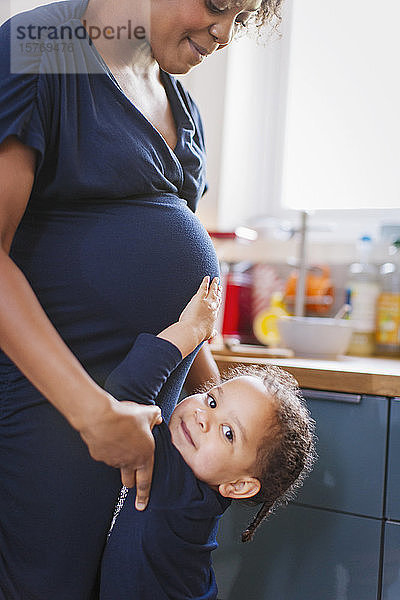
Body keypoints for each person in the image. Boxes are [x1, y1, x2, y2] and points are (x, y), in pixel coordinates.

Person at [0, 1, 282, 598]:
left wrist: (217, 405)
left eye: (243, 15)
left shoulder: (179, 105)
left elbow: (177, 299)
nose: (225, 32)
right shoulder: (40, 47)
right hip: (52, 422)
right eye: (217, 4)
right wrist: (91, 413)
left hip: (143, 431)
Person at [98, 276, 316, 599]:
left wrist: (191, 330)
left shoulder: (176, 483)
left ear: (239, 486)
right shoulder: (206, 489)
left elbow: (124, 396)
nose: (203, 417)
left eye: (228, 433)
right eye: (212, 400)